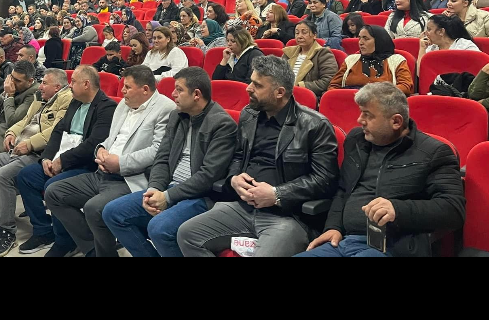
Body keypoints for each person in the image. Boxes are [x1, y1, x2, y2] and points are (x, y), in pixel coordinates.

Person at [176, 56, 339, 257]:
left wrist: (277, 194)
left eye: (257, 85)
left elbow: (325, 180)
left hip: (288, 216)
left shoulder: (315, 125)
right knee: (187, 234)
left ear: (280, 92)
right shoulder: (249, 114)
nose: (248, 88)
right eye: (251, 81)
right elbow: (238, 156)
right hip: (242, 207)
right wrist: (234, 179)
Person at [302, 84, 465, 256]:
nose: (360, 120)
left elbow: (453, 210)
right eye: (361, 112)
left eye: (368, 115)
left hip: (394, 246)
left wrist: (398, 210)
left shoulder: (433, 152)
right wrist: (333, 227)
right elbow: (343, 190)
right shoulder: (356, 140)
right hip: (344, 241)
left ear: (396, 122)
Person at [41, 66, 178, 258]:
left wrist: (120, 163)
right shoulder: (123, 105)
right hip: (103, 172)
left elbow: (158, 151)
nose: (122, 91)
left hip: (130, 178)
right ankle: (92, 249)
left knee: (94, 208)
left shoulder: (165, 108)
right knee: (54, 192)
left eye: (128, 87)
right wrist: (101, 149)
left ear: (145, 89)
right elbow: (110, 138)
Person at [100, 67, 237, 258]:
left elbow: (208, 176)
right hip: (168, 188)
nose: (173, 94)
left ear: (196, 94)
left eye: (179, 90)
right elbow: (162, 158)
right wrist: (154, 189)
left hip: (201, 196)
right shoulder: (177, 116)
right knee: (112, 213)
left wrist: (167, 197)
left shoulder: (222, 124)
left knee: (159, 228)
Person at [0, 69, 75, 254]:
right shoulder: (40, 98)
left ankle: (6, 232)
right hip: (17, 150)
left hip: (37, 154)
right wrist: (11, 133)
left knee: (2, 176)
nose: (40, 87)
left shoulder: (66, 99)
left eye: (44, 83)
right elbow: (25, 120)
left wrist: (30, 144)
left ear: (57, 87)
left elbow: (56, 131)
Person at [13, 65, 118, 253]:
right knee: (26, 176)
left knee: (53, 186)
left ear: (86, 84)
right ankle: (43, 231)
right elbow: (58, 131)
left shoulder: (107, 107)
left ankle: (66, 240)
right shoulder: (75, 102)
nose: (69, 85)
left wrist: (62, 161)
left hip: (84, 164)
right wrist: (47, 157)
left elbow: (93, 144)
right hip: (60, 158)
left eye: (74, 82)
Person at [328, 24, 414, 93]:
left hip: (383, 104)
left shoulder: (396, 60)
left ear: (379, 41)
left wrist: (373, 95)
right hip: (350, 103)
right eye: (359, 38)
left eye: (366, 39)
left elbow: (405, 87)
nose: (360, 43)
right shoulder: (350, 60)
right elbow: (333, 86)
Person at [416, 13, 482, 95]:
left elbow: (479, 70)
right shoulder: (431, 48)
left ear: (441, 31)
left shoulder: (465, 46)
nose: (425, 33)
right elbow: (420, 74)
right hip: (434, 91)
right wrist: (422, 48)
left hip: (462, 91)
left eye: (429, 29)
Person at [283, 17, 338, 99]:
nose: (299, 36)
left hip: (307, 96)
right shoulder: (288, 52)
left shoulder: (323, 53)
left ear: (314, 35)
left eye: (304, 32)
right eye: (297, 33)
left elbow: (328, 80)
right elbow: (278, 74)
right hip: (284, 94)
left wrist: (300, 86)